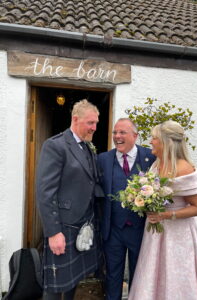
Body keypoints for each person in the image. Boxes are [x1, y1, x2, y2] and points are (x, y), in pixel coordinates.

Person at [128, 120, 197, 300]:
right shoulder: (156, 164)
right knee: (153, 274)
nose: (150, 141)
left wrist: (167, 215)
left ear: (166, 141)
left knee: (175, 277)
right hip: (155, 233)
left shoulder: (184, 168)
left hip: (179, 237)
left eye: (154, 138)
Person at [36, 99, 104, 300]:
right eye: (90, 123)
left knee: (74, 278)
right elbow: (45, 192)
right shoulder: (55, 145)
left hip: (84, 223)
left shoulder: (87, 146)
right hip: (64, 226)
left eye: (96, 123)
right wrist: (54, 232)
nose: (94, 127)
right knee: (55, 283)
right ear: (76, 119)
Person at [98, 118, 155, 300]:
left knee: (140, 276)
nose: (117, 136)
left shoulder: (150, 157)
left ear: (135, 136)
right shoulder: (103, 159)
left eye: (122, 132)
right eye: (115, 132)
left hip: (141, 230)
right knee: (113, 276)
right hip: (113, 230)